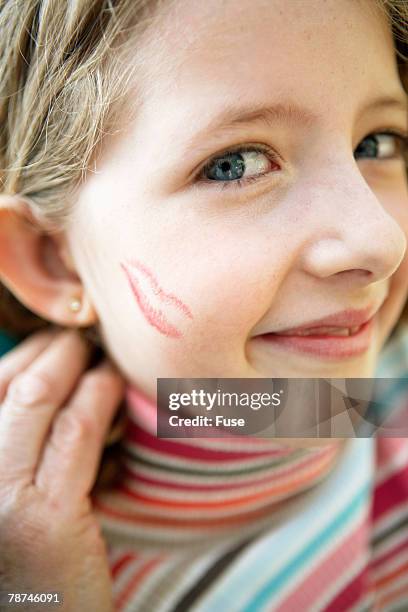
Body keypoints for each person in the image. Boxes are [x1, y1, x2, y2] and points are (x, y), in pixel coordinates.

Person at [0, 0, 407, 609]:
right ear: (53, 262)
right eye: (234, 164)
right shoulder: (30, 575)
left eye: (376, 143)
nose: (380, 242)